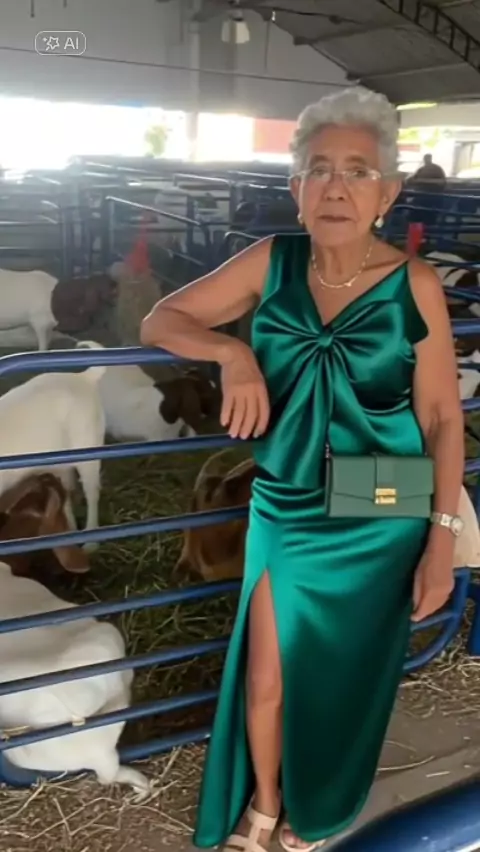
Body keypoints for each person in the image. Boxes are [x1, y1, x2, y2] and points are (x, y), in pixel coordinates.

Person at [141, 87, 464, 851]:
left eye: (357, 171)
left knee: (344, 672)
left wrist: (442, 541)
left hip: (381, 500)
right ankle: (264, 800)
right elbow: (161, 319)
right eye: (319, 170)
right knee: (266, 675)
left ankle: (321, 807)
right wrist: (231, 351)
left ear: (387, 193)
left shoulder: (415, 285)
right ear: (296, 188)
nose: (336, 187)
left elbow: (443, 420)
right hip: (286, 499)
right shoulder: (272, 262)